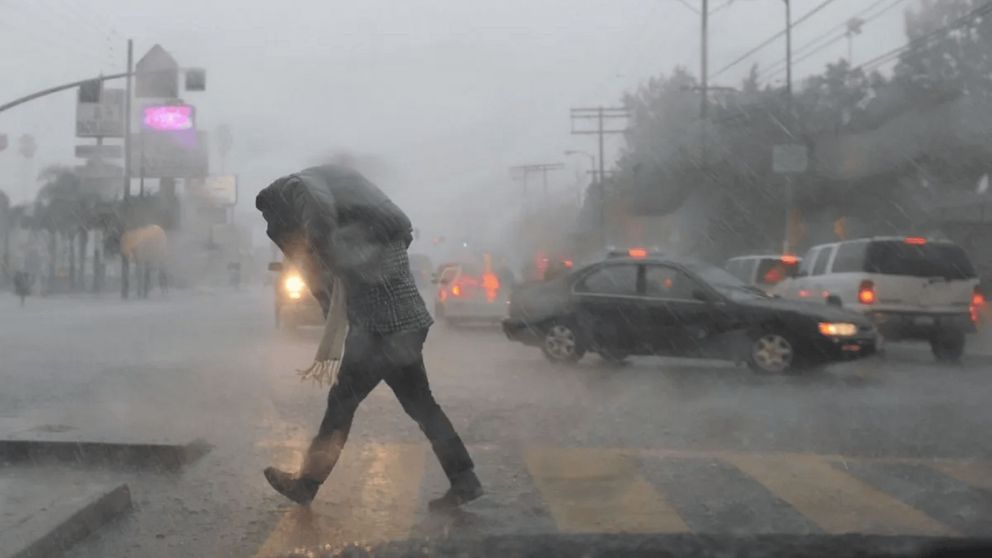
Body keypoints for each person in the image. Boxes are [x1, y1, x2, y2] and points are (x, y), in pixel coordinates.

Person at [255, 165, 482, 510]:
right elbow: (403, 231)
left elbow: (317, 229)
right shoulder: (376, 222)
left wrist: (327, 260)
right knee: (422, 406)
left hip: (379, 330)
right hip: (409, 322)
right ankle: (464, 478)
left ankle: (307, 484)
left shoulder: (298, 189)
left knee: (341, 406)